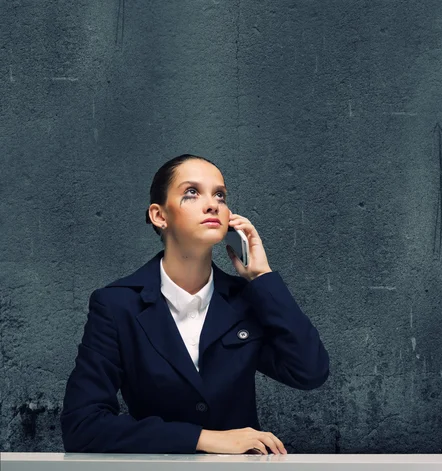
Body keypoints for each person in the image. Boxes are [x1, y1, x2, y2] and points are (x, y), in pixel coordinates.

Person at [60, 154, 330, 454]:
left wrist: (263, 278)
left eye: (220, 195)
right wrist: (205, 439)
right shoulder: (117, 305)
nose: (213, 203)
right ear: (159, 216)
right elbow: (81, 426)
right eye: (192, 192)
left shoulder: (246, 300)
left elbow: (310, 371)